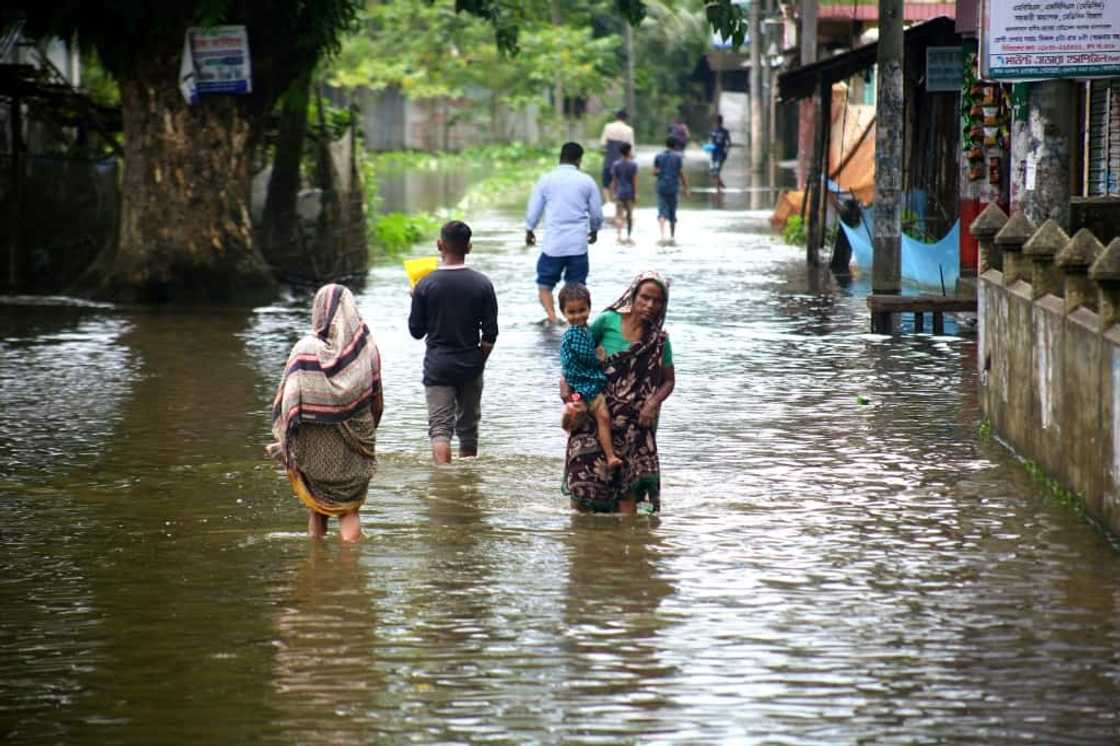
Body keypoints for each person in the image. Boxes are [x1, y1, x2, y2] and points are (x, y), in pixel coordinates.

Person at [268, 283, 383, 542]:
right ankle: (350, 574)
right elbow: (376, 398)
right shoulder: (366, 348)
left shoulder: (304, 349)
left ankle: (316, 567)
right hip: (355, 446)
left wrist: (288, 440)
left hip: (313, 448)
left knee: (315, 508)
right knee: (349, 511)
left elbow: (289, 403)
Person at [562, 271, 675, 514]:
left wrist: (652, 403)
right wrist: (571, 398)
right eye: (644, 297)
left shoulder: (659, 342)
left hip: (634, 424)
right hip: (593, 412)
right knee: (584, 487)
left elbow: (668, 382)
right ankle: (582, 543)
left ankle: (628, 542)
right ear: (633, 296)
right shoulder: (607, 321)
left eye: (657, 301)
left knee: (628, 493)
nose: (649, 305)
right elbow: (574, 358)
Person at [409, 220, 499, 464]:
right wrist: (478, 360)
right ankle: (466, 485)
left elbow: (416, 331)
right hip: (471, 363)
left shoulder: (425, 285)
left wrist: (416, 298)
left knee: (440, 429)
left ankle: (444, 487)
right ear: (468, 247)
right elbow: (490, 334)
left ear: (440, 245)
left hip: (438, 365)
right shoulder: (482, 283)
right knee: (468, 429)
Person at [525, 142, 604, 324]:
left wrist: (529, 229)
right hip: (577, 245)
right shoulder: (586, 181)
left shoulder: (546, 180)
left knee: (544, 284)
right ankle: (574, 322)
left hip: (553, 245)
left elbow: (534, 209)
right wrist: (594, 231)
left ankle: (552, 318)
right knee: (576, 287)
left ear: (560, 157)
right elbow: (596, 213)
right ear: (579, 160)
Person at [557, 283, 622, 471]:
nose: (577, 316)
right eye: (572, 312)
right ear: (563, 313)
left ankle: (570, 410)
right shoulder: (575, 333)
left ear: (589, 308)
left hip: (579, 387)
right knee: (601, 415)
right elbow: (586, 356)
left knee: (578, 406)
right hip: (583, 385)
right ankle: (610, 456)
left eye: (582, 310)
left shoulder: (585, 331)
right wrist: (600, 357)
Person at [654, 137, 688, 244]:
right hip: (673, 187)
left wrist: (658, 173)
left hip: (661, 187)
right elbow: (681, 173)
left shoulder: (658, 156)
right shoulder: (678, 158)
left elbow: (655, 172)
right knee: (673, 212)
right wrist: (686, 188)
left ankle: (662, 235)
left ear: (666, 144)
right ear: (675, 146)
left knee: (662, 211)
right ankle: (672, 236)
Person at [599, 109, 635, 204]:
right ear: (625, 118)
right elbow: (631, 147)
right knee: (620, 182)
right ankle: (617, 202)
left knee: (606, 182)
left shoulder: (608, 127)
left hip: (609, 158)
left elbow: (603, 144)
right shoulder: (629, 130)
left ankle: (607, 201)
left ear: (616, 117)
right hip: (622, 161)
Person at [610, 142, 638, 244]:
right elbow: (634, 181)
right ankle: (629, 236)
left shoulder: (616, 164)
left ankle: (619, 235)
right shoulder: (633, 165)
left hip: (619, 193)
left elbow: (614, 181)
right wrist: (635, 193)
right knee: (629, 216)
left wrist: (614, 193)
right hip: (630, 193)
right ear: (629, 151)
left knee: (619, 215)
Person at [708, 114, 732, 191]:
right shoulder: (713, 131)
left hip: (721, 154)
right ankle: (721, 185)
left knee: (717, 170)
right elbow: (711, 142)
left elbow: (729, 143)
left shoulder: (725, 131)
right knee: (713, 171)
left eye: (718, 121)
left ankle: (718, 189)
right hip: (714, 153)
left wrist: (726, 151)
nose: (718, 123)